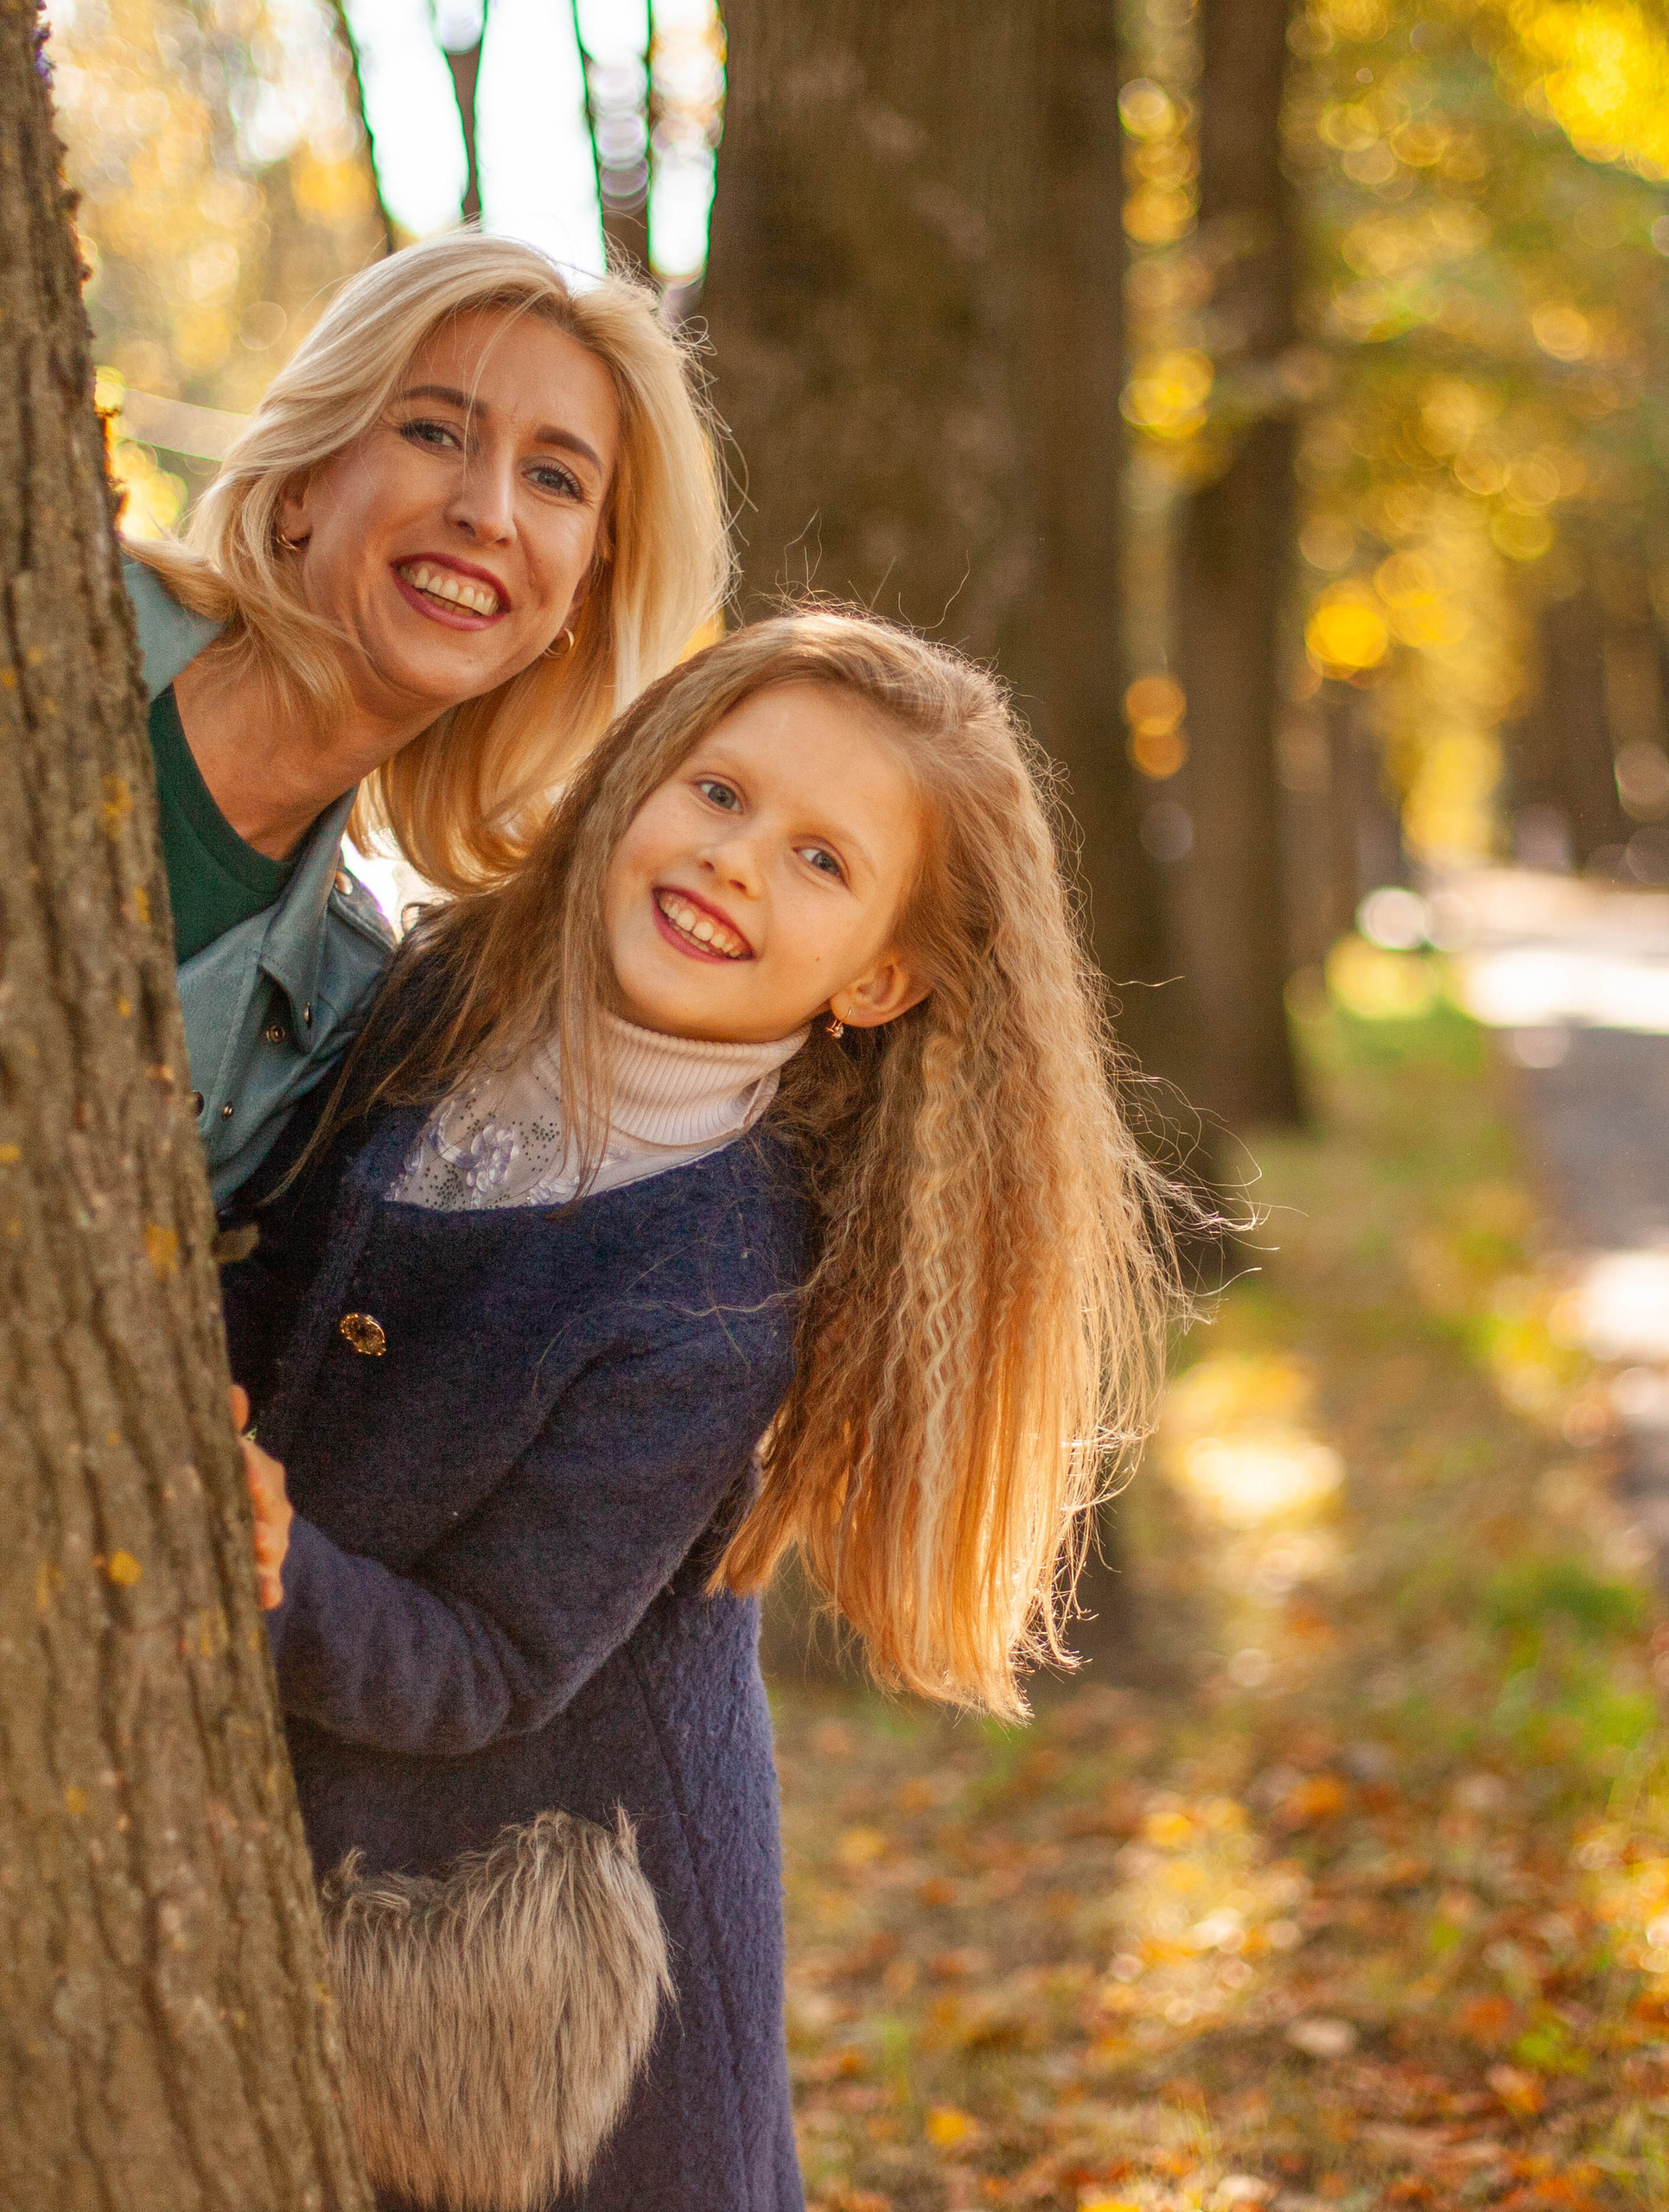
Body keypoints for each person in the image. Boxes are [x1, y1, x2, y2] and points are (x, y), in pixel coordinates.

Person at [225, 608, 1182, 2212]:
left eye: (822, 861)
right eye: (720, 794)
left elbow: (490, 1664)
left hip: (550, 1947)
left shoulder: (718, 1291)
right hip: (325, 1849)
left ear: (880, 977)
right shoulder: (436, 1004)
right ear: (637, 782)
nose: (738, 860)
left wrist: (264, 1563)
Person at [128, 233, 726, 1205]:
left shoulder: (339, 1014)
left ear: (579, 595)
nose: (489, 514)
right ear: (301, 484)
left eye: (554, 480)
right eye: (436, 433)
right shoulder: (50, 619)